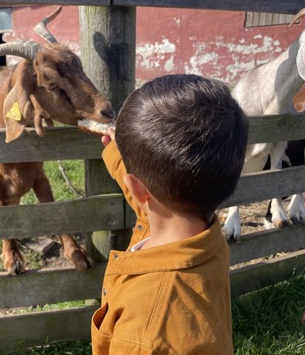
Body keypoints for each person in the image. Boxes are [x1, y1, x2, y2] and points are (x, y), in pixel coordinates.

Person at [91, 74, 248, 354]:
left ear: (139, 189)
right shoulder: (204, 238)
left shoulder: (146, 331)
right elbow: (147, 204)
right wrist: (118, 155)